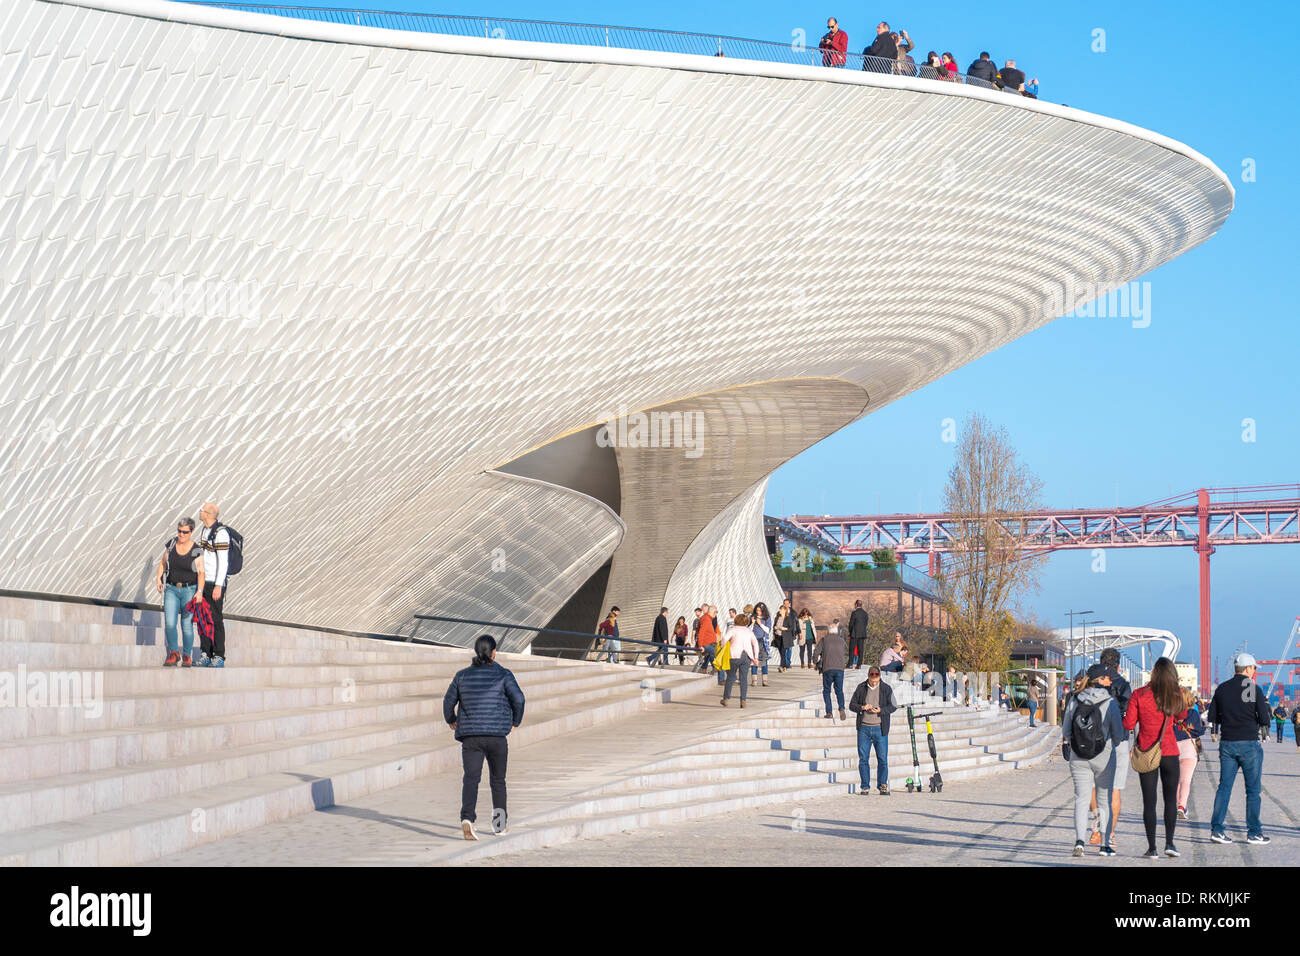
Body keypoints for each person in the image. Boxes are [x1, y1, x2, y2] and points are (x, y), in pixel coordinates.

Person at [444, 634, 525, 840]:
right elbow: (519, 699)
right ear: (494, 653)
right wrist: (515, 722)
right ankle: (499, 825)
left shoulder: (462, 676)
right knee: (498, 781)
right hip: (497, 737)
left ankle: (468, 819)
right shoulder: (504, 675)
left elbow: (448, 701)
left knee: (471, 779)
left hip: (471, 737)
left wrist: (451, 719)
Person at [1123, 657, 1188, 858]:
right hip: (1169, 752)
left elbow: (1128, 724)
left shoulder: (1139, 694)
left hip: (1147, 752)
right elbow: (1182, 716)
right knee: (1170, 801)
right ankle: (1169, 843)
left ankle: (1152, 848)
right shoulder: (1175, 694)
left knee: (1149, 802)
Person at [1207, 652, 1273, 846]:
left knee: (1224, 788)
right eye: (1253, 668)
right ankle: (1254, 832)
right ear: (1247, 668)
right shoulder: (1252, 688)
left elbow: (1213, 717)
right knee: (1253, 791)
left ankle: (1217, 830)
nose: (1254, 672)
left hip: (1227, 743)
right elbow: (1264, 719)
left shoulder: (1222, 688)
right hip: (1248, 744)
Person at [1062, 668, 1126, 856]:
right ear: (1100, 680)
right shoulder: (1109, 702)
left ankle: (1079, 842)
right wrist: (1110, 746)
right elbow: (1118, 734)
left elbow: (1066, 730)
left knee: (1081, 799)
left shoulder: (1074, 699)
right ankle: (1105, 844)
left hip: (1078, 756)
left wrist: (1078, 745)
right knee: (1104, 801)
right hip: (1104, 756)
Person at [1088, 649, 1133, 846]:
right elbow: (1129, 715)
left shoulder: (1091, 679)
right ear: (1119, 664)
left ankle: (1097, 823)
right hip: (1118, 740)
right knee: (1115, 789)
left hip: (1092, 740)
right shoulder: (1123, 685)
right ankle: (1110, 832)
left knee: (1092, 786)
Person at [154, 516, 206, 667]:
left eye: (184, 532)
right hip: (171, 589)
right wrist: (158, 578)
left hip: (189, 590)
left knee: (186, 624)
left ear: (191, 532)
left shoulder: (196, 550)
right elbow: (163, 563)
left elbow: (201, 573)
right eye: (179, 531)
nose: (181, 535)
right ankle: (173, 653)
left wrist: (200, 591)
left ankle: (187, 655)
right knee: (170, 623)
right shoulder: (171, 544)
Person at [850, 665, 897, 795]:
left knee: (882, 759)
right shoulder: (861, 688)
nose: (874, 682)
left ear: (880, 677)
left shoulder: (886, 688)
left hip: (880, 728)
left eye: (876, 680)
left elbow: (893, 706)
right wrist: (862, 707)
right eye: (872, 680)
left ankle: (882, 785)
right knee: (863, 759)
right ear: (868, 676)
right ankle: (865, 786)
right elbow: (852, 705)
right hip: (864, 728)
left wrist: (881, 710)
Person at [195, 501, 231, 667]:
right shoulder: (204, 530)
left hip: (215, 584)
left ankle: (219, 655)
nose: (200, 512)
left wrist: (218, 585)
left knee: (216, 619)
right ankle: (206, 653)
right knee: (202, 619)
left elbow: (223, 562)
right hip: (203, 581)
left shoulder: (221, 533)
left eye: (202, 510)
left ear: (208, 514)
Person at [1173, 687, 1205, 820]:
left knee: (1176, 781)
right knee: (1185, 780)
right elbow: (1198, 730)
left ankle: (1178, 806)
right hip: (1188, 749)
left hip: (1173, 748)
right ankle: (1182, 806)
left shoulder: (1170, 713)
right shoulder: (1192, 713)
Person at [721, 613, 759, 708]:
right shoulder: (749, 631)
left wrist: (723, 647)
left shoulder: (733, 629)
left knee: (730, 677)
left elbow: (724, 639)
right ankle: (743, 700)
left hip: (733, 656)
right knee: (744, 678)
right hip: (746, 656)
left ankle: (726, 699)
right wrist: (756, 657)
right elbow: (755, 644)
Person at [813, 616, 848, 720]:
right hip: (840, 669)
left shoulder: (824, 640)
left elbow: (816, 652)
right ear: (837, 631)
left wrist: (815, 662)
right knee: (839, 690)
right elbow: (845, 653)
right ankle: (841, 708)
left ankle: (829, 712)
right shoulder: (842, 641)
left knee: (827, 690)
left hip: (827, 668)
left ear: (828, 631)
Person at [751, 602, 772, 687]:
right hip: (754, 640)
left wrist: (760, 624)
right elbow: (748, 630)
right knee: (754, 660)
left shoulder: (767, 618)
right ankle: (754, 680)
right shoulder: (752, 618)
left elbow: (768, 630)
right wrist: (752, 623)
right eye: (757, 610)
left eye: (760, 611)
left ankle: (765, 680)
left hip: (763, 641)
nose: (758, 612)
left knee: (764, 660)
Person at [847, 600, 868, 669]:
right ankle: (859, 664)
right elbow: (866, 624)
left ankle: (850, 663)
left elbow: (851, 624)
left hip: (854, 633)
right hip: (862, 634)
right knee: (860, 649)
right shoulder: (865, 613)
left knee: (852, 649)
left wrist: (850, 633)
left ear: (856, 605)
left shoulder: (854, 613)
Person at [779, 599, 797, 671]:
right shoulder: (779, 613)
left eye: (787, 604)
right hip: (782, 634)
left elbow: (796, 623)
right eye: (784, 604)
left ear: (789, 604)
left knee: (789, 649)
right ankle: (784, 663)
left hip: (790, 633)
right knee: (783, 649)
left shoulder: (793, 613)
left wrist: (798, 632)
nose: (786, 605)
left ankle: (788, 663)